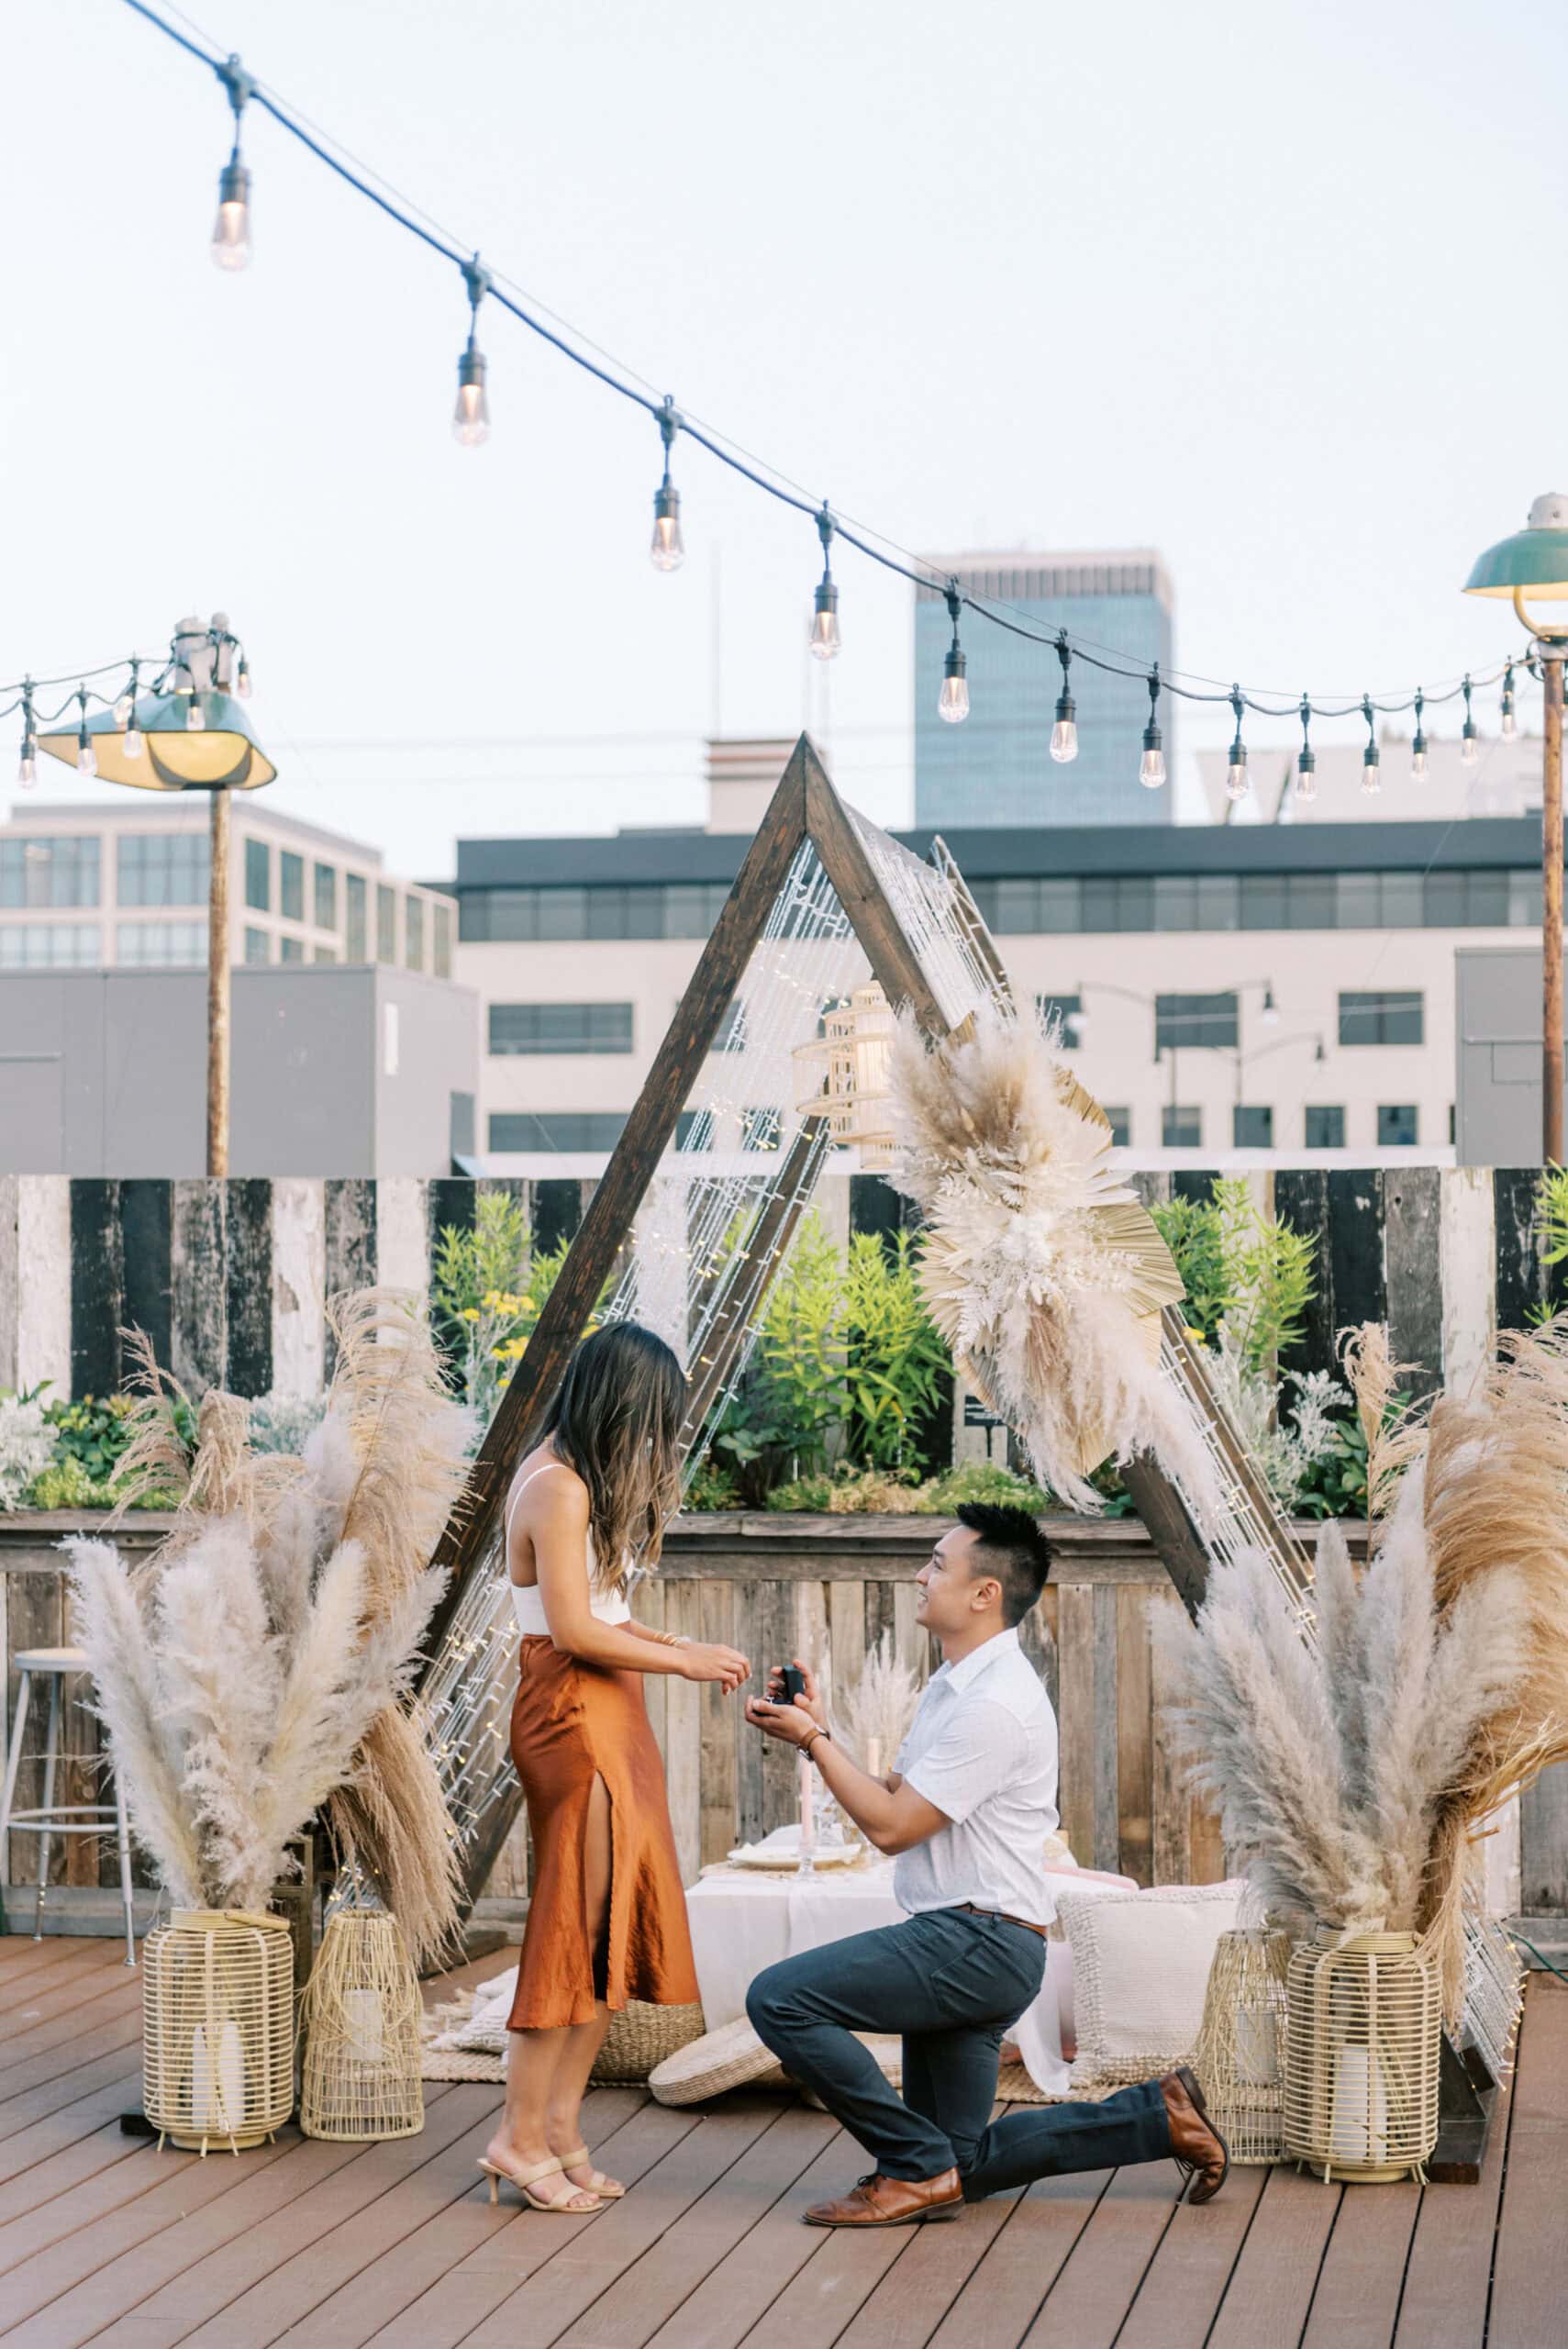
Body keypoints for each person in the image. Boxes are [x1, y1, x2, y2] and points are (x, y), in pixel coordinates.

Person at [744, 1501, 1228, 2227]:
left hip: (971, 1943)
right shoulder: (956, 1687)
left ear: (984, 1594)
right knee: (961, 2165)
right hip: (980, 1940)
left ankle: (912, 2166)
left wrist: (813, 1740)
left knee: (780, 1998)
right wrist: (822, 1732)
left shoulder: (996, 1704)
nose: (920, 1575)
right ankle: (1159, 2118)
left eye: (937, 1564)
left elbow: (891, 1829)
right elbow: (901, 1795)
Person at [479, 1321, 751, 2213]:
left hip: (611, 1709)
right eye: (650, 1419)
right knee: (570, 1930)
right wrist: (680, 1661)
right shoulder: (554, 1488)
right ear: (618, 1403)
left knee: (609, 1927)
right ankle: (517, 2138)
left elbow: (608, 1614)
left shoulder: (578, 1482)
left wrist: (683, 1645)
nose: (653, 1440)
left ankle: (559, 2130)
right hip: (571, 1714)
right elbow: (570, 1630)